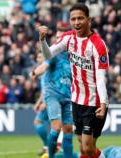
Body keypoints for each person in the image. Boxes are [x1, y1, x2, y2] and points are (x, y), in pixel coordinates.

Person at [38, 3, 108, 158]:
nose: (76, 22)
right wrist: (42, 41)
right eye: (73, 19)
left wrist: (103, 103)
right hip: (76, 100)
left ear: (88, 19)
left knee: (88, 148)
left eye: (80, 18)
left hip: (94, 102)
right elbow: (49, 55)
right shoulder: (68, 38)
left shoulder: (98, 44)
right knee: (83, 148)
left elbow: (101, 77)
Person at [31, 24, 74, 158]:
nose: (57, 40)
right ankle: (50, 156)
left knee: (68, 130)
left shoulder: (73, 57)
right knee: (56, 127)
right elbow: (44, 65)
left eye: (60, 37)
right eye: (56, 37)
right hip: (53, 95)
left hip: (67, 97)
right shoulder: (54, 55)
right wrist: (35, 72)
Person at [32, 53, 49, 156]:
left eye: (39, 57)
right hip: (47, 99)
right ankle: (47, 146)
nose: (37, 59)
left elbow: (51, 87)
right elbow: (44, 90)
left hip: (51, 100)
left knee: (38, 122)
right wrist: (38, 102)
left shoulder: (47, 71)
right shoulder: (42, 73)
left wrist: (45, 103)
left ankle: (48, 146)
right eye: (37, 57)